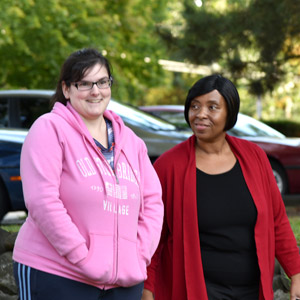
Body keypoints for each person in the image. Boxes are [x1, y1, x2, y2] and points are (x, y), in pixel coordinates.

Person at [12, 48, 164, 300]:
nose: (96, 91)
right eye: (84, 83)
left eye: (103, 82)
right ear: (67, 89)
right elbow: (42, 201)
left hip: (122, 282)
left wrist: (138, 255)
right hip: (57, 273)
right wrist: (82, 256)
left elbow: (152, 204)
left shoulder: (133, 143)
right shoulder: (49, 129)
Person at [142, 74, 300, 300]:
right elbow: (153, 238)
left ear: (230, 113)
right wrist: (147, 290)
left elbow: (277, 221)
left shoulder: (254, 157)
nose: (201, 114)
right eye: (195, 106)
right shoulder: (168, 166)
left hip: (251, 290)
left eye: (212, 107)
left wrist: (296, 273)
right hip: (196, 290)